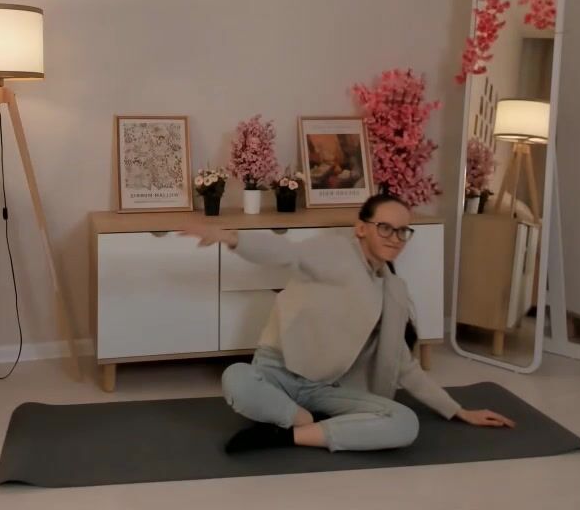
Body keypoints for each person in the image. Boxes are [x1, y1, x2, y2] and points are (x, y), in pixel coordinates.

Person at [181, 193, 514, 453]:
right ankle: (303, 421)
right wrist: (232, 238)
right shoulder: (335, 253)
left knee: (405, 422)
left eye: (403, 231)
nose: (395, 238)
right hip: (275, 373)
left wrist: (457, 410)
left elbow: (404, 365)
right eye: (385, 227)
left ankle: (287, 435)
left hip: (324, 389)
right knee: (236, 378)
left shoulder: (394, 291)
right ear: (361, 228)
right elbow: (286, 252)